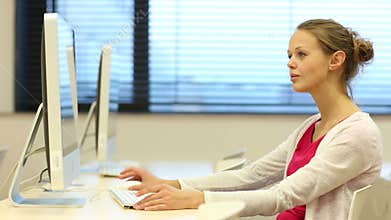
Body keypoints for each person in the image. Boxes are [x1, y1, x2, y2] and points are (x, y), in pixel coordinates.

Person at [119, 19, 383, 220]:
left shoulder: (356, 134)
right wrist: (172, 185)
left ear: (335, 60)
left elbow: (283, 195)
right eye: (289, 55)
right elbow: (253, 176)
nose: (291, 62)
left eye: (301, 54)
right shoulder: (313, 125)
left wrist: (198, 199)